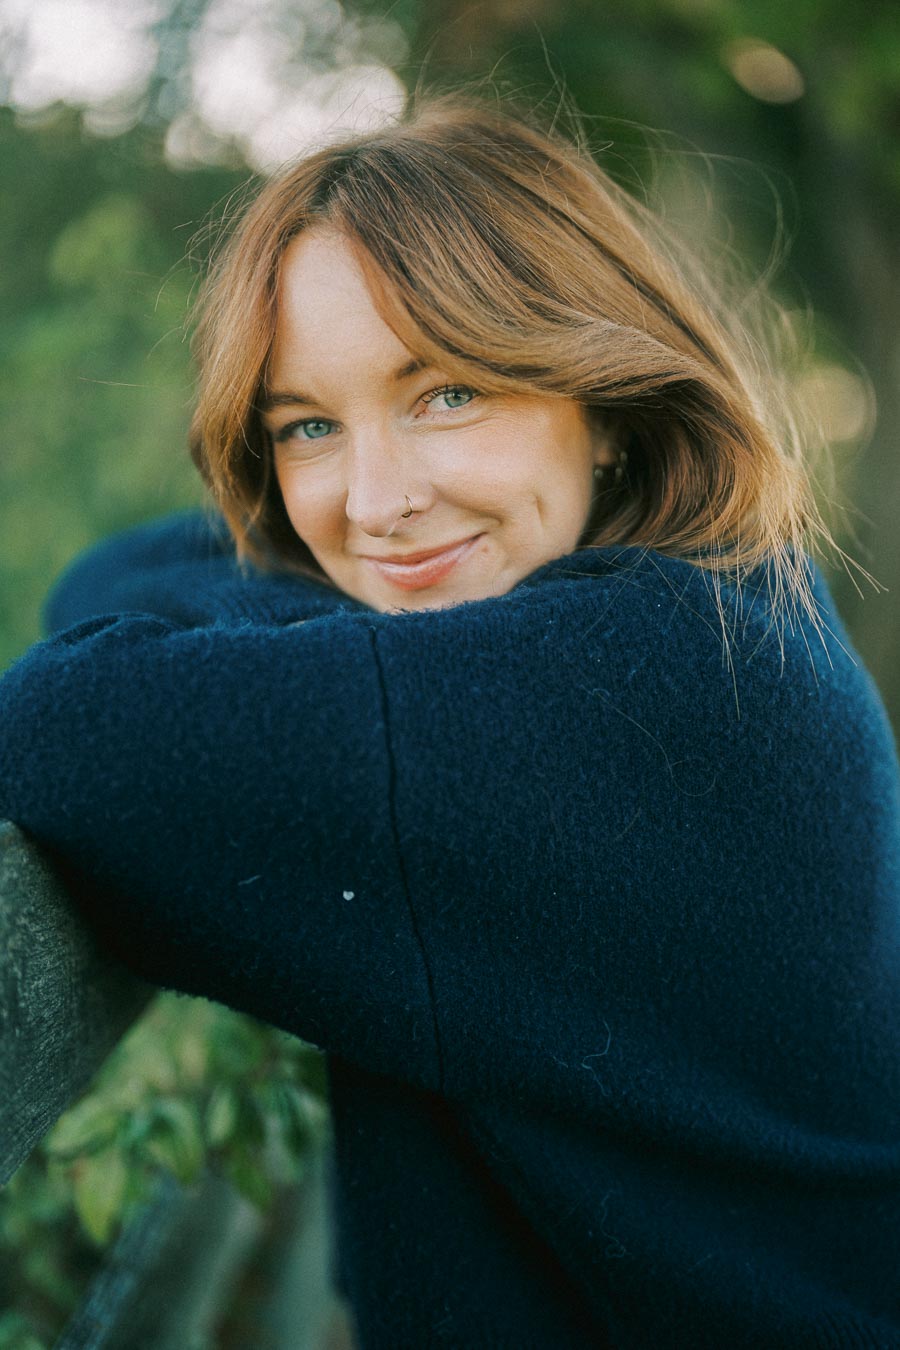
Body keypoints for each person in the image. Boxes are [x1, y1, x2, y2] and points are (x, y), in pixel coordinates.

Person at [1, 89, 900, 1349]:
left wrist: (313, 649)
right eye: (308, 426)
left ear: (606, 396)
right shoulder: (733, 609)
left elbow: (60, 725)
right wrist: (337, 638)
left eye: (448, 395)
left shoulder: (640, 693)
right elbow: (126, 573)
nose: (375, 502)